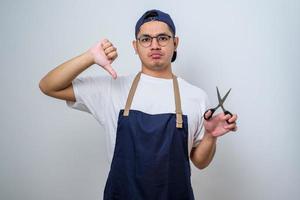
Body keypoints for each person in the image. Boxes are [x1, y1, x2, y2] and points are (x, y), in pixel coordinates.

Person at [39, 9, 238, 200]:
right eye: (145, 39)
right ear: (135, 46)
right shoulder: (112, 88)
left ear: (175, 43)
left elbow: (200, 162)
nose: (155, 45)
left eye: (163, 38)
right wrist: (90, 57)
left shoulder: (196, 97)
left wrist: (210, 137)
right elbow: (49, 86)